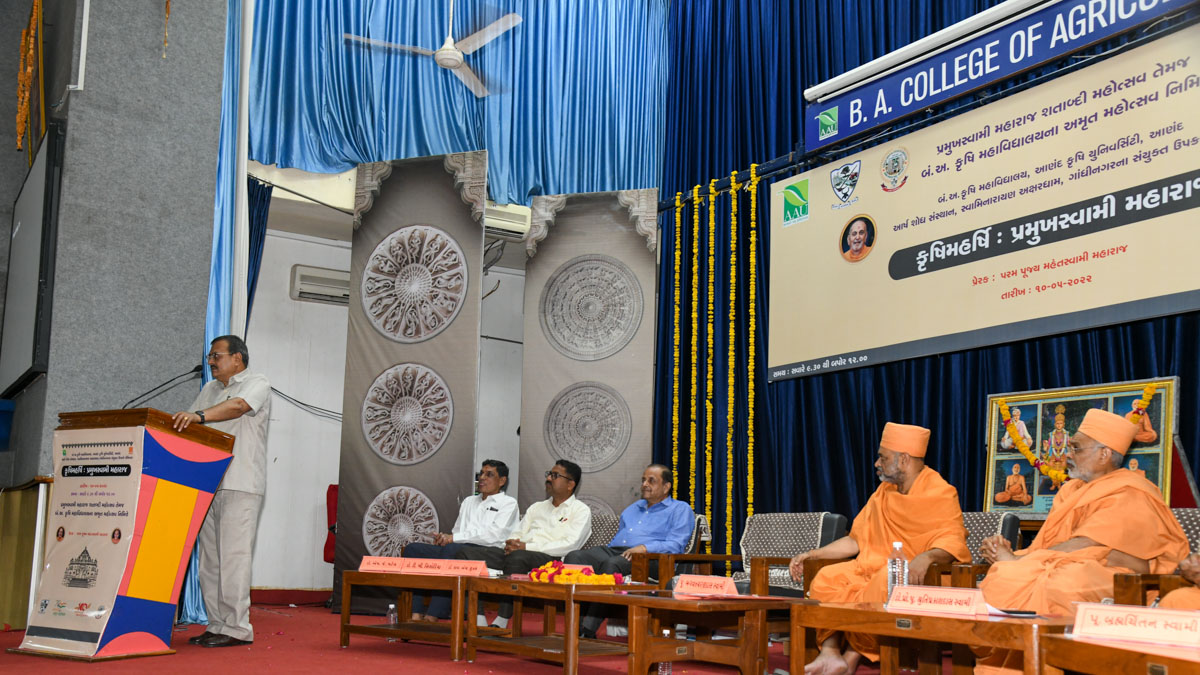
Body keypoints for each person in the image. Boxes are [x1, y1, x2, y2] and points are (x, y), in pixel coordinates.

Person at [791, 423, 970, 675]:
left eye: (883, 457)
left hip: (922, 576)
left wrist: (927, 556)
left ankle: (851, 658)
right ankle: (830, 653)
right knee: (826, 578)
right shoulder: (883, 493)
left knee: (885, 580)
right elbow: (856, 541)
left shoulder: (940, 492)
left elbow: (952, 542)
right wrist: (813, 554)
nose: (877, 463)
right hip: (872, 570)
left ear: (904, 459)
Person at [979, 408, 1188, 615]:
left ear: (1104, 454)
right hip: (1067, 563)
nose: (1068, 455)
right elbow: (1051, 543)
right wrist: (1009, 552)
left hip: (1120, 575)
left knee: (1064, 583)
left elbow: (1088, 544)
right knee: (1003, 574)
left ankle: (1051, 645)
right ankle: (1026, 645)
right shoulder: (1072, 489)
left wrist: (1021, 560)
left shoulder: (1131, 490)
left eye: (1076, 448)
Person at [172, 335, 271, 648]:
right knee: (210, 561)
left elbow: (238, 407)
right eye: (210, 356)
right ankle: (217, 624)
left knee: (234, 559)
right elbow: (186, 426)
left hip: (240, 483)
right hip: (208, 483)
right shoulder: (209, 389)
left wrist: (199, 416)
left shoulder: (257, 382)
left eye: (217, 356)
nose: (211, 362)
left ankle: (238, 629)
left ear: (237, 359)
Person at [456, 460, 591, 628]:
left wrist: (526, 547)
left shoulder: (580, 510)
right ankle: (478, 618)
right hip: (518, 553)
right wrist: (513, 542)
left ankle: (502, 620)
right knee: (465, 553)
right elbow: (518, 532)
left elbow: (570, 544)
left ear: (570, 484)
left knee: (518, 558)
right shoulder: (537, 507)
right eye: (549, 474)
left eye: (555, 476)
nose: (549, 478)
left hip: (552, 560)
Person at [564, 464, 694, 638]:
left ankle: (587, 630)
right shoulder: (633, 509)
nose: (645, 484)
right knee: (575, 557)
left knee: (612, 565)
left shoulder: (680, 509)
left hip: (653, 560)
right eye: (643, 480)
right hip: (617, 551)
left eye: (651, 481)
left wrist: (645, 548)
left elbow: (676, 545)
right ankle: (575, 624)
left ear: (666, 486)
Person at [401, 459, 519, 621]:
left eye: (489, 474)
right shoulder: (469, 501)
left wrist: (454, 539)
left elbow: (494, 535)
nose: (482, 478)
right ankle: (415, 613)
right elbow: (457, 532)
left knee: (453, 550)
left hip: (491, 553)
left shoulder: (508, 503)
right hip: (459, 549)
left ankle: (434, 614)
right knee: (413, 549)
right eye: (481, 474)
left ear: (502, 481)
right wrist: (445, 538)